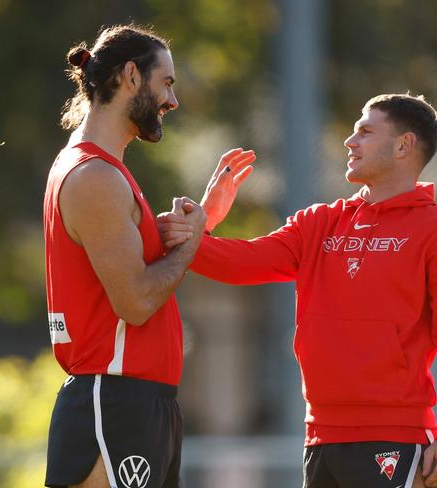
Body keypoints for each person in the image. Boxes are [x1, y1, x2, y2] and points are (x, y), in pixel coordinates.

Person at [160, 94, 437, 488]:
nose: (350, 141)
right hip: (320, 436)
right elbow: (240, 263)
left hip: (393, 437)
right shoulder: (319, 222)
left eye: (365, 132)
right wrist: (199, 228)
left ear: (404, 145)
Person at [43, 24, 255, 488]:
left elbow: (136, 267)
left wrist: (202, 222)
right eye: (168, 83)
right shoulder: (95, 174)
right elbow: (136, 301)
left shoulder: (103, 169)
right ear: (132, 76)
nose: (172, 101)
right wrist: (194, 240)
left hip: (135, 399)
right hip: (114, 398)